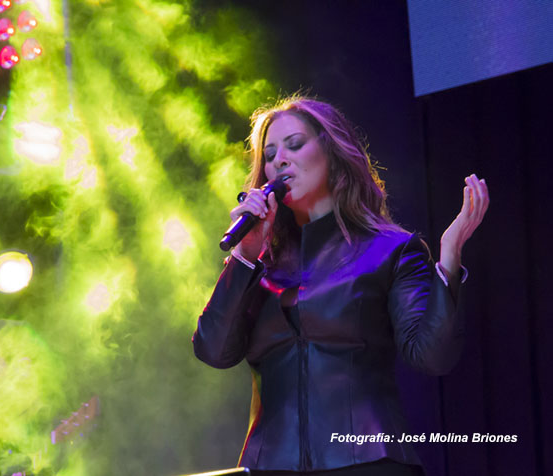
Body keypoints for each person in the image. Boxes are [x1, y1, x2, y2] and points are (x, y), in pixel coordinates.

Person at [192, 95, 489, 476]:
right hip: (271, 464)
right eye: (269, 154)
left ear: (331, 153)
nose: (279, 160)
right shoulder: (258, 265)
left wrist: (448, 259)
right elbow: (213, 350)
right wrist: (245, 255)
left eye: (294, 145)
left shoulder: (390, 249)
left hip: (367, 461)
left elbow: (433, 356)